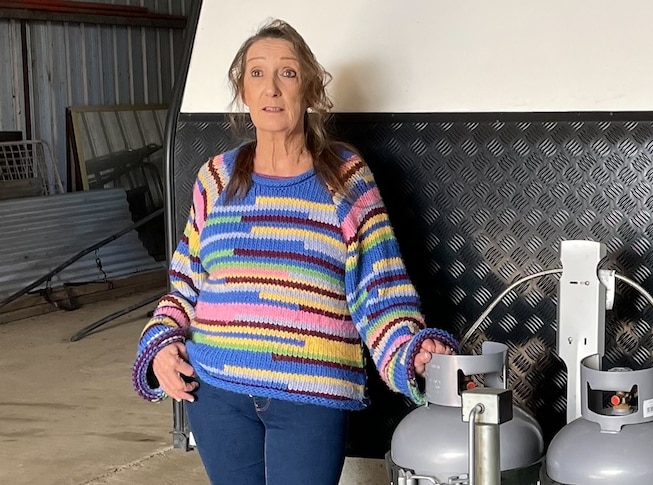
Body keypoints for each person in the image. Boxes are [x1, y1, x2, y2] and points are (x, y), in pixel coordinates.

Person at [132, 18, 459, 485]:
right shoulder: (215, 178)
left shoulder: (346, 179)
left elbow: (380, 295)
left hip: (309, 396)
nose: (272, 88)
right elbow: (184, 288)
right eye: (257, 74)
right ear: (242, 90)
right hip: (216, 393)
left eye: (287, 73)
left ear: (309, 88)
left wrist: (413, 352)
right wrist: (161, 345)